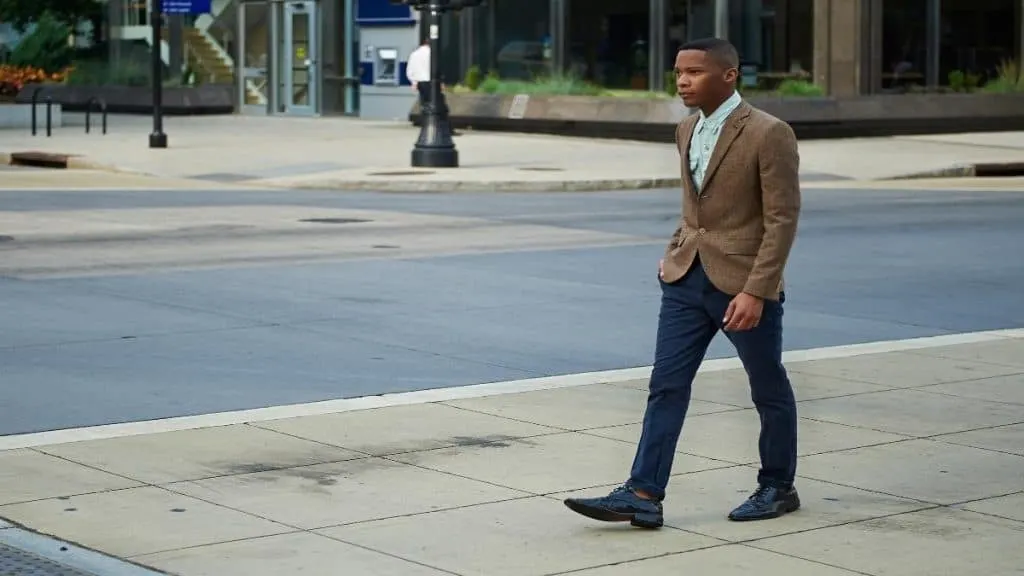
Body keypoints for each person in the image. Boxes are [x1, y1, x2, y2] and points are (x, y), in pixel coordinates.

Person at [563, 37, 802, 529]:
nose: (683, 81)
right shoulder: (686, 129)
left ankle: (778, 485)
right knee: (666, 387)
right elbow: (695, 207)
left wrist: (757, 290)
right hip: (685, 279)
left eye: (694, 72)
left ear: (729, 75)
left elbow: (782, 220)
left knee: (766, 388)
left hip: (742, 287)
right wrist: (676, 248)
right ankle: (644, 493)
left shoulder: (768, 133)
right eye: (678, 72)